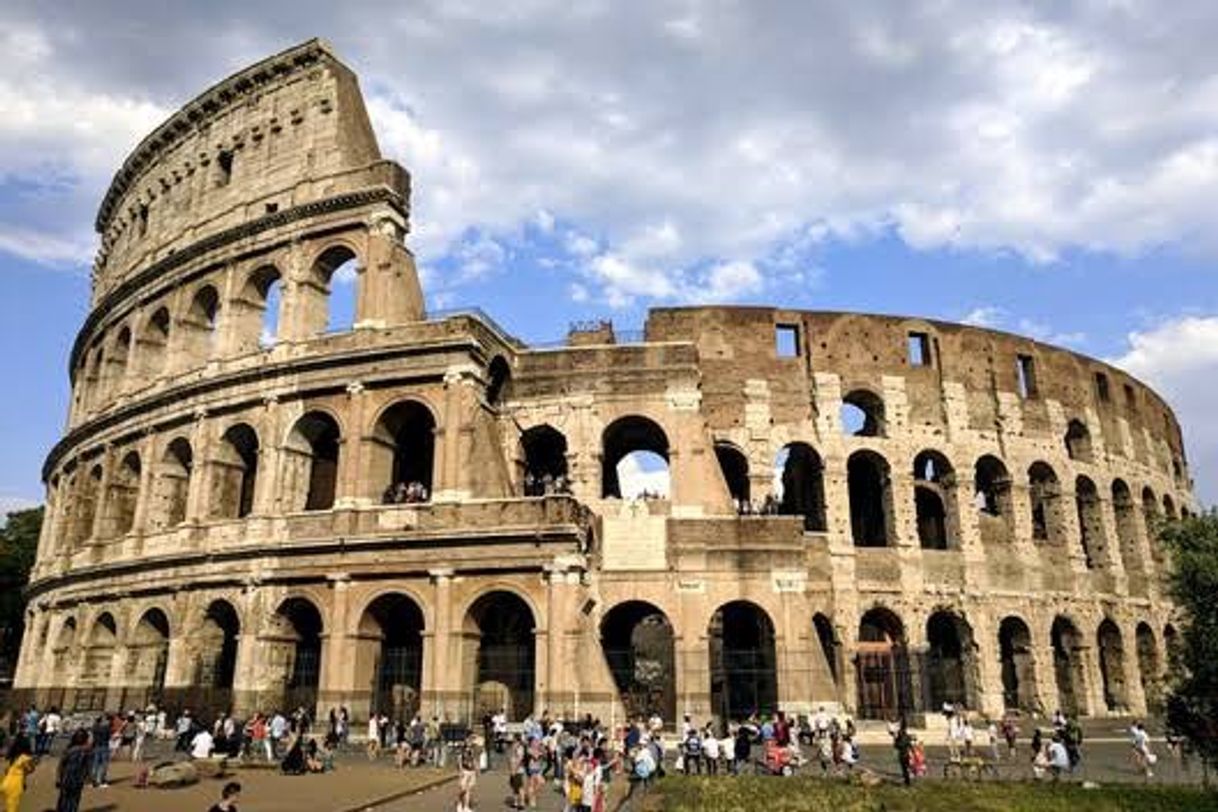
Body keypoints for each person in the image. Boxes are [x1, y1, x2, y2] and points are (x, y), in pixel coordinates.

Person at [56, 729, 92, 812]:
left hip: (66, 778)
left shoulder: (69, 750)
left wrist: (58, 778)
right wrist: (87, 777)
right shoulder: (86, 751)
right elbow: (87, 767)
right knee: (74, 800)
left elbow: (61, 765)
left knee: (64, 799)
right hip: (77, 779)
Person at [2, 734, 35, 812]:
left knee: (9, 802)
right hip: (16, 785)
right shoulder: (25, 758)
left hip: (6, 782)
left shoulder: (14, 754)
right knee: (13, 805)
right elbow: (30, 770)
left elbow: (7, 768)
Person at [456, 735, 479, 812]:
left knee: (469, 790)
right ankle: (459, 803)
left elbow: (475, 760)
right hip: (465, 770)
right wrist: (461, 770)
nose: (470, 742)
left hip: (472, 771)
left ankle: (466, 807)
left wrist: (476, 770)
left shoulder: (473, 750)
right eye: (469, 740)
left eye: (471, 741)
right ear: (466, 741)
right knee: (463, 789)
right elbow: (459, 760)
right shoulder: (462, 749)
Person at [89, 715, 111, 788]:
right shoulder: (106, 728)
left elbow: (92, 737)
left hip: (96, 746)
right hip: (104, 746)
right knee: (103, 764)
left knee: (95, 764)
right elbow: (108, 737)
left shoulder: (94, 728)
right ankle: (101, 781)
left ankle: (93, 781)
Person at [893, 719, 913, 786]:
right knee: (907, 768)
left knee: (904, 769)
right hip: (907, 755)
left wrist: (895, 740)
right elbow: (910, 746)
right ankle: (908, 781)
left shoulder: (899, 739)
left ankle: (907, 782)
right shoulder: (907, 737)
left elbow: (896, 746)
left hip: (902, 755)